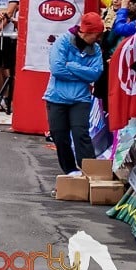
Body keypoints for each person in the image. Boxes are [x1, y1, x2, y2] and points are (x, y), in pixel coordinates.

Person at [43, 12, 104, 177]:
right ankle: (70, 169)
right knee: (59, 135)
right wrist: (81, 75)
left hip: (80, 99)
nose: (98, 39)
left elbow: (96, 74)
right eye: (96, 35)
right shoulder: (62, 42)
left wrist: (72, 66)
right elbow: (57, 70)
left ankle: (90, 172)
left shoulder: (96, 49)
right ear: (86, 32)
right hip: (57, 97)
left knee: (81, 134)